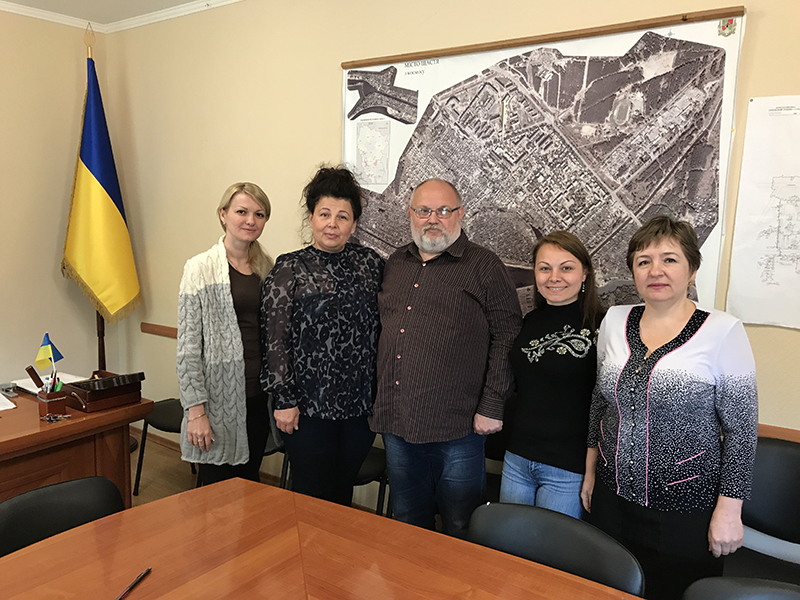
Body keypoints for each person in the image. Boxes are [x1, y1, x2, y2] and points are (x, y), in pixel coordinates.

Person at [580, 215, 758, 600]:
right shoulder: (614, 321)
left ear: (692, 270)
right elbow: (599, 400)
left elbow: (741, 432)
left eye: (670, 259)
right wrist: (590, 470)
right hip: (612, 500)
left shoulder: (722, 331)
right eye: (643, 261)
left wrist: (730, 510)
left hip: (685, 511)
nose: (655, 270)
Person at [370, 178, 523, 538]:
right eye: (423, 210)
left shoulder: (484, 265)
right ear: (411, 214)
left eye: (443, 210)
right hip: (398, 421)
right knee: (408, 517)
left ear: (460, 214)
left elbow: (508, 335)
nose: (432, 219)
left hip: (458, 426)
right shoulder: (396, 263)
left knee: (460, 524)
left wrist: (492, 404)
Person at [261, 166, 383, 506]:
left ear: (354, 224)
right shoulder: (290, 268)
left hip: (359, 409)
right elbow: (275, 340)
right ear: (311, 218)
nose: (333, 224)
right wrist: (284, 400)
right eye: (325, 214)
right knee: (311, 495)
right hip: (307, 409)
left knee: (342, 492)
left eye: (343, 216)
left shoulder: (370, 264)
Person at [500, 231, 604, 519]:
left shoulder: (603, 326)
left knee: (551, 548)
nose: (554, 277)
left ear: (585, 273)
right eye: (545, 268)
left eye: (566, 268)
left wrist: (592, 469)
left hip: (568, 467)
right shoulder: (528, 321)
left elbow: (606, 405)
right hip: (517, 458)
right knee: (507, 542)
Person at [177, 182, 274, 485]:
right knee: (215, 493)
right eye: (242, 212)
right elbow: (188, 348)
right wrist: (196, 411)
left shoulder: (268, 268)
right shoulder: (199, 268)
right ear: (223, 214)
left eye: (259, 214)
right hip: (217, 401)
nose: (250, 220)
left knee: (249, 485)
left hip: (258, 397)